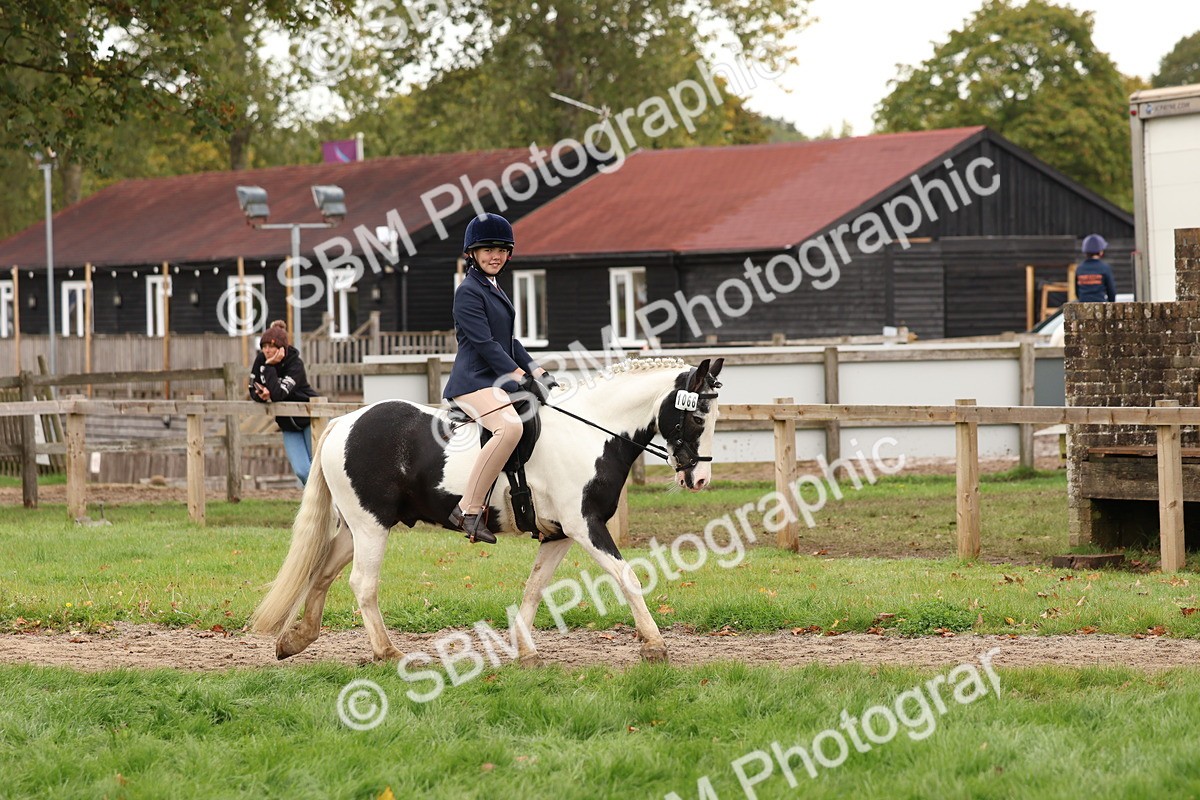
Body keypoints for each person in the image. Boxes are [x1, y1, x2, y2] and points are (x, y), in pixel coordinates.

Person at [443, 213, 558, 544]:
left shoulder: (493, 287)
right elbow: (485, 345)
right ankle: (468, 510)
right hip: (473, 381)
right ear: (473, 254)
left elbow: (509, 342)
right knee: (510, 427)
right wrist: (520, 377)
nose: (495, 256)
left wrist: (538, 372)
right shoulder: (468, 291)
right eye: (487, 249)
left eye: (501, 249)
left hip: (495, 378)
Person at [249, 320, 317, 485]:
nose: (266, 350)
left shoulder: (295, 365)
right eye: (264, 346)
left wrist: (269, 366)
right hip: (287, 425)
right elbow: (252, 387)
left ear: (281, 348)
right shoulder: (261, 360)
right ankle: (318, 508)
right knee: (302, 472)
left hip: (310, 420)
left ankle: (331, 507)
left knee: (318, 469)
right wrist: (261, 396)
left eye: (270, 346)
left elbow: (279, 394)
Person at [1075, 234, 1117, 302]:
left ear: (1085, 252)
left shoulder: (1080, 269)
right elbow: (1111, 292)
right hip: (1100, 306)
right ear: (1100, 252)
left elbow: (1077, 292)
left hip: (1083, 307)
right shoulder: (1105, 268)